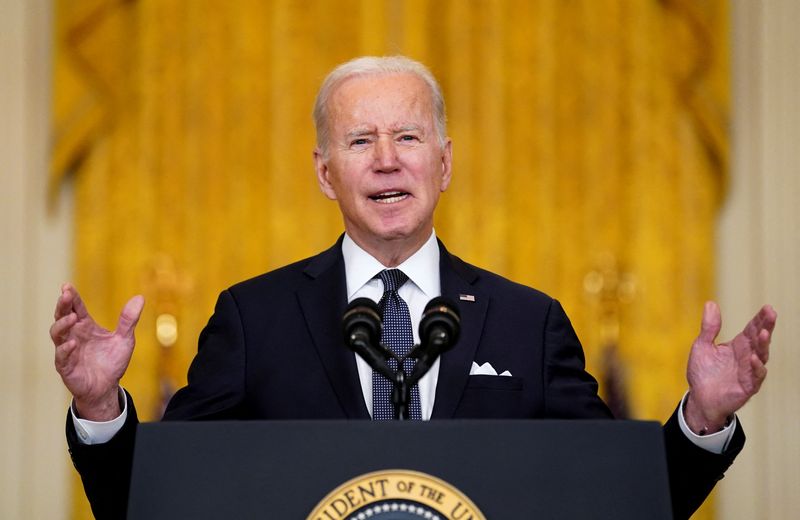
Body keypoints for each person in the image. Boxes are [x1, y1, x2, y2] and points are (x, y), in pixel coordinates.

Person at [50, 56, 777, 520]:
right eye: (361, 141)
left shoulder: (528, 322)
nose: (387, 161)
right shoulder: (255, 318)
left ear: (445, 161)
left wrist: (701, 423)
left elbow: (615, 499)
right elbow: (156, 501)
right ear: (326, 172)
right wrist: (99, 408)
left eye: (409, 137)